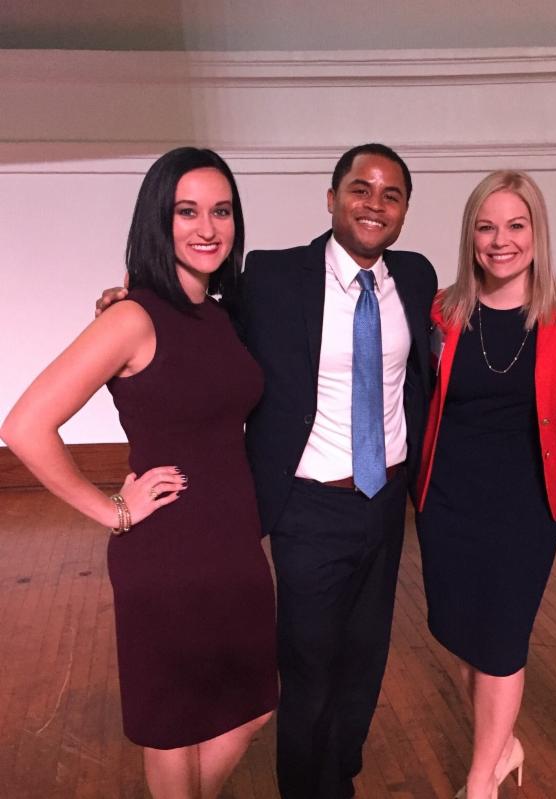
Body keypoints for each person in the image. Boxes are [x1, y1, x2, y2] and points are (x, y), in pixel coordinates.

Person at [98, 142, 437, 799]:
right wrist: (132, 299)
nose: (374, 204)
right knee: (307, 668)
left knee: (364, 660)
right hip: (308, 505)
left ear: (403, 211)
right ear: (332, 198)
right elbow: (198, 320)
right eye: (360, 189)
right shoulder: (274, 276)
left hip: (385, 502)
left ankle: (339, 780)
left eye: (391, 195)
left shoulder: (416, 277)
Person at [2, 147, 279, 799]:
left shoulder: (222, 315)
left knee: (252, 706)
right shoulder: (132, 317)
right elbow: (24, 425)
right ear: (159, 219)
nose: (207, 227)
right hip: (168, 552)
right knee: (175, 726)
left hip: (235, 545)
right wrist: (112, 509)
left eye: (221, 211)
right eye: (187, 211)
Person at [415, 170, 556, 799]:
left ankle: (480, 781)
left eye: (516, 226)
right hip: (447, 502)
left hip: (525, 506)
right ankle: (505, 745)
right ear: (469, 236)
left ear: (537, 232)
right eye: (486, 227)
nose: (501, 241)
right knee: (462, 636)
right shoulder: (444, 310)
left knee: (500, 643)